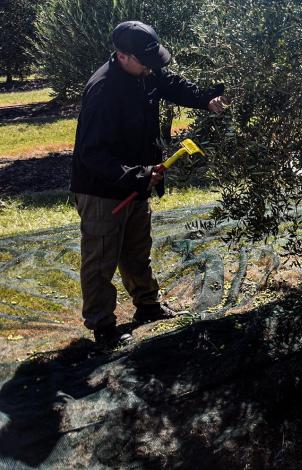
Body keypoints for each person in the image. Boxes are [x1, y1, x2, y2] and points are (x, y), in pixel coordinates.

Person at [71, 21, 225, 348]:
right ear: (122, 56)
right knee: (100, 260)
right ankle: (102, 327)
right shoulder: (103, 90)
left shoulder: (146, 73)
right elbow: (91, 154)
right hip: (102, 190)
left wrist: (207, 97)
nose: (152, 68)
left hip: (137, 182)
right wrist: (138, 174)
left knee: (137, 251)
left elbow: (172, 84)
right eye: (146, 61)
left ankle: (148, 307)